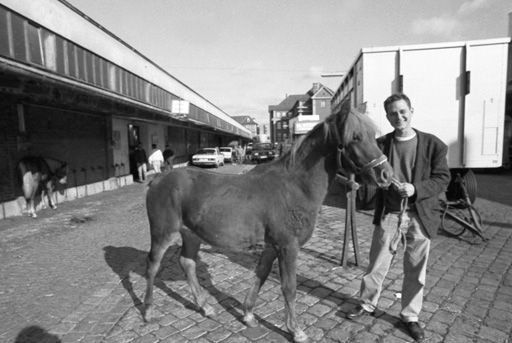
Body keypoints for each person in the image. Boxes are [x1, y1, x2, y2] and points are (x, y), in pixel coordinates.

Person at [346, 93, 450, 342]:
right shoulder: (381, 144)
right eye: (393, 113)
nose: (398, 117)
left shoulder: (433, 144)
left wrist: (416, 189)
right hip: (390, 214)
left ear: (411, 110)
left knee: (415, 268)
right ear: (387, 116)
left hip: (419, 215)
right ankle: (366, 304)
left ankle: (410, 316)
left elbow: (442, 178)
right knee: (376, 264)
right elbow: (363, 168)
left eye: (402, 111)